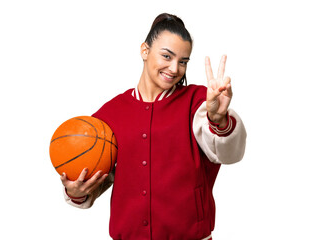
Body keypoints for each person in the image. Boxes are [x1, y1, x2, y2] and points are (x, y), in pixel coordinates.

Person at [60, 13, 247, 240]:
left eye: (183, 61)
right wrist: (75, 191)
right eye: (167, 56)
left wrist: (218, 119)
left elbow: (229, 154)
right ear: (144, 51)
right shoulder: (110, 114)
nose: (175, 68)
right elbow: (95, 180)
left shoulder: (200, 102)